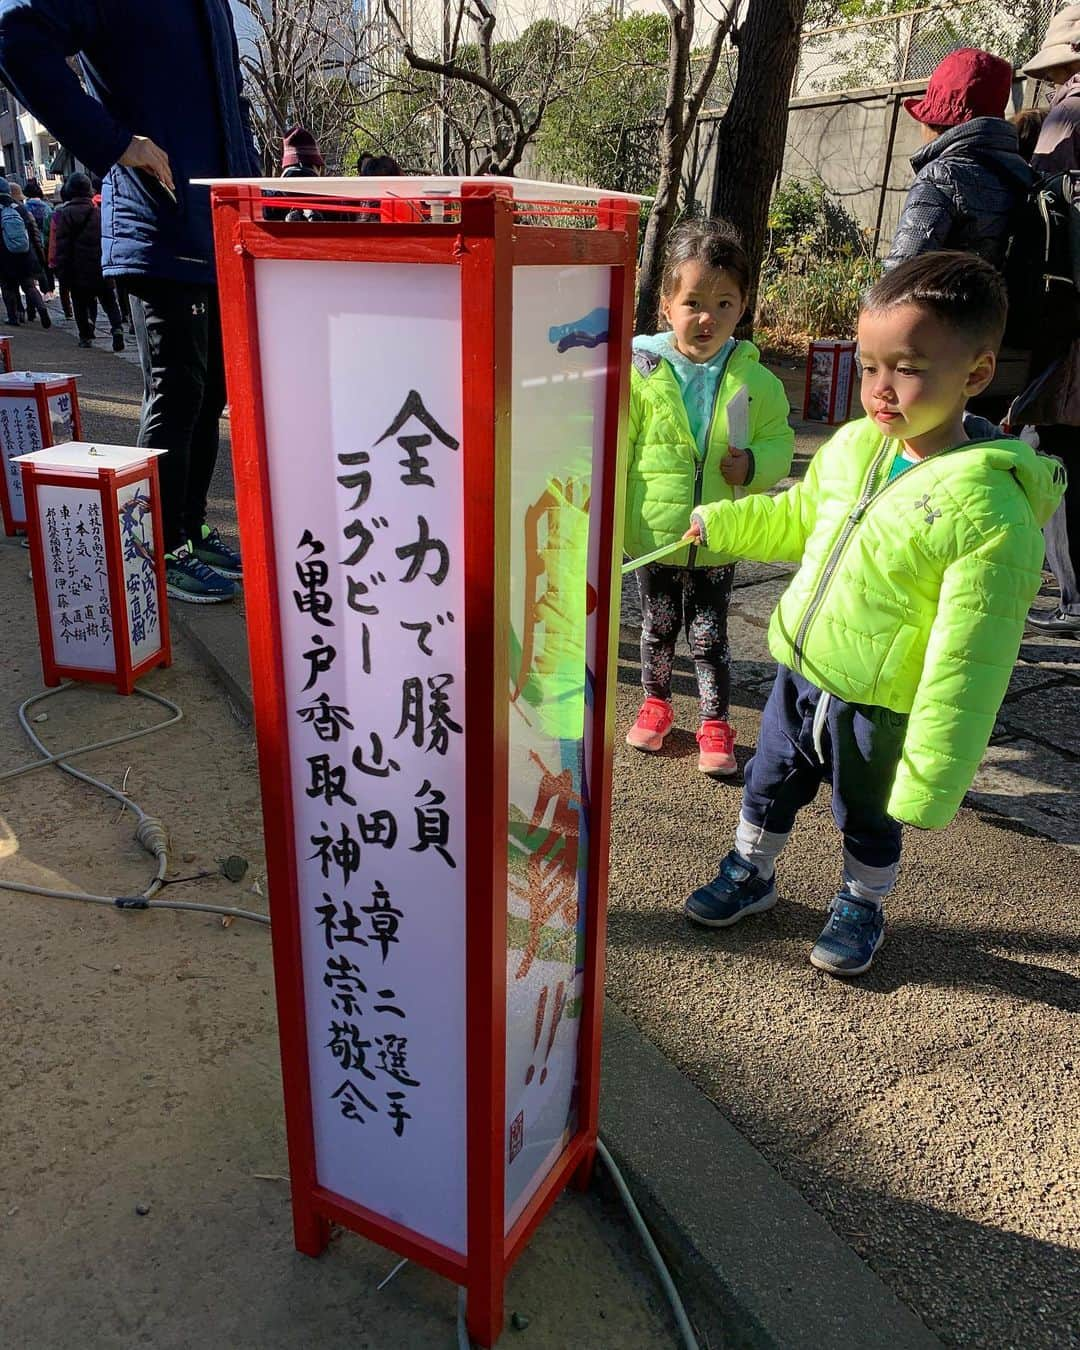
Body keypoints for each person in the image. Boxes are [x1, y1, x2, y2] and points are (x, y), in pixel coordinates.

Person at [679, 252, 1064, 976]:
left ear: (975, 374)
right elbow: (802, 517)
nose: (880, 390)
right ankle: (751, 869)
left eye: (907, 369)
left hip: (880, 705)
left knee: (868, 814)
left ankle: (862, 900)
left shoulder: (992, 512)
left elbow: (969, 663)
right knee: (767, 782)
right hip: (802, 671)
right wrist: (722, 525)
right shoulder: (858, 444)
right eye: (868, 367)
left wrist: (933, 778)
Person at [0, 0, 261, 604]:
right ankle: (158, 546)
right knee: (178, 391)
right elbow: (18, 38)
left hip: (216, 230)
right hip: (158, 228)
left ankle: (190, 530)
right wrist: (115, 144)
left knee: (213, 387)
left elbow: (228, 112)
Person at [623, 219, 794, 776]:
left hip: (718, 534)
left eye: (723, 303)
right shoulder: (639, 375)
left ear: (741, 308)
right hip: (654, 532)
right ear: (665, 306)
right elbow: (615, 446)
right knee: (657, 625)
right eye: (692, 301)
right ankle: (655, 705)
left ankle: (716, 721)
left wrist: (755, 464)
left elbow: (778, 440)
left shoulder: (755, 380)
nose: (707, 317)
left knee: (709, 633)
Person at [1014, 6, 1080, 636]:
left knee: (1059, 449)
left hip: (1068, 313)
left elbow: (1047, 207)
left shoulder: (1069, 115)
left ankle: (1072, 592)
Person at [885, 48, 1030, 272]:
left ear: (934, 122)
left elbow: (899, 279)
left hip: (950, 308)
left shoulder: (941, 177)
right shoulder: (1025, 173)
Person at [51, 172, 125, 350]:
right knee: (109, 301)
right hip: (101, 267)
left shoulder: (65, 214)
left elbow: (62, 245)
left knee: (80, 304)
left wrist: (62, 271)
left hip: (78, 270)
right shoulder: (98, 211)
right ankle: (117, 329)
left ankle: (85, 336)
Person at [0, 175, 50, 326]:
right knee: (29, 286)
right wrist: (40, 256)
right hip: (25, 253)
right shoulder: (21, 208)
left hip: (4, 257)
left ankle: (14, 317)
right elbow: (34, 233)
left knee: (8, 287)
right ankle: (42, 309)